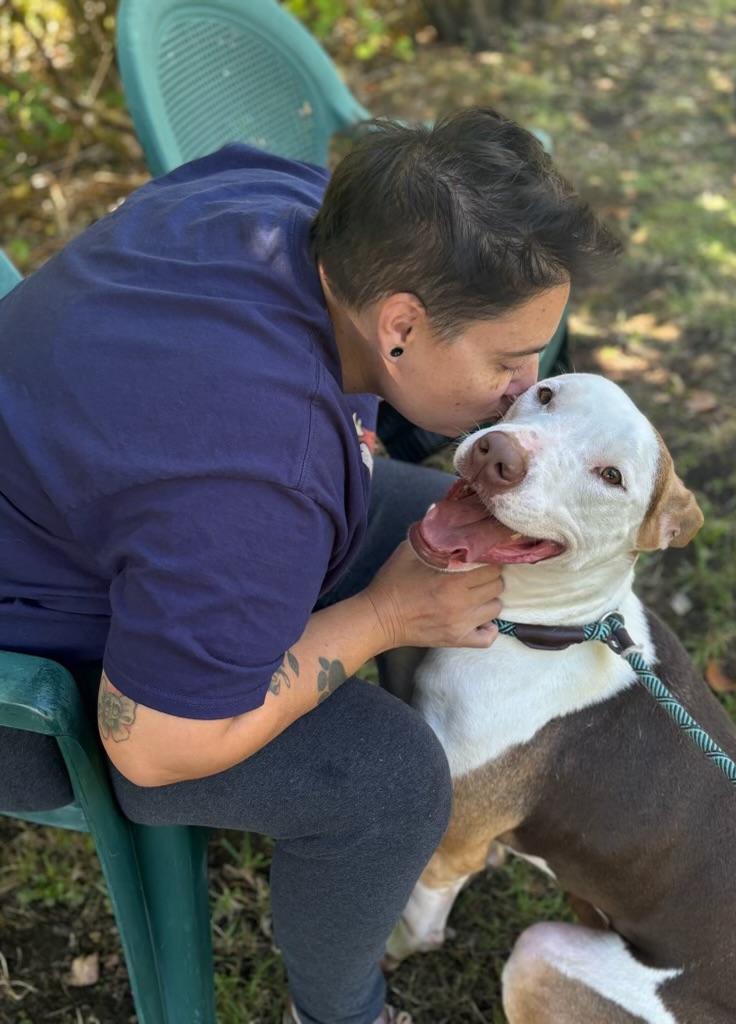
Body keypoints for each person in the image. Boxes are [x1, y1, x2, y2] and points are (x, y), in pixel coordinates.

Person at [0, 107, 620, 1024]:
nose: (522, 388)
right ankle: (340, 1011)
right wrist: (383, 617)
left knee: (451, 533)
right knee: (388, 782)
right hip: (37, 692)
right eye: (509, 358)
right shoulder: (258, 480)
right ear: (400, 324)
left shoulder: (278, 199)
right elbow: (158, 747)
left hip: (89, 514)